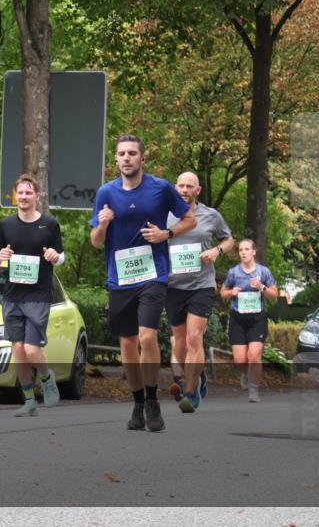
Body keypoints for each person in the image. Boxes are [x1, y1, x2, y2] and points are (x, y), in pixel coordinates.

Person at [90, 135, 196, 432]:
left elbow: (190, 219)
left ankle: (152, 399)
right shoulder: (105, 193)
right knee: (127, 343)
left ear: (142, 158)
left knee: (147, 337)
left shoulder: (160, 188)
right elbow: (96, 242)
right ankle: (137, 403)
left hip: (153, 274)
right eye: (121, 153)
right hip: (120, 277)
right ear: (116, 159)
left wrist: (167, 234)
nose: (126, 158)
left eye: (132, 153)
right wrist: (103, 224)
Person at [0, 175, 65, 417]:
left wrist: (55, 257)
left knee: (32, 350)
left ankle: (46, 377)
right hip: (12, 295)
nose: (23, 197)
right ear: (15, 196)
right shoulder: (6, 225)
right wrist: (0, 256)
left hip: (38, 294)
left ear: (36, 196)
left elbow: (61, 257)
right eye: (19, 193)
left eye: (28, 193)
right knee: (18, 350)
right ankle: (29, 400)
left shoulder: (49, 224)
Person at [165, 172, 234, 413]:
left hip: (201, 286)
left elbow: (229, 241)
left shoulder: (211, 215)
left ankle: (190, 392)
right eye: (181, 185)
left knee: (195, 337)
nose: (184, 189)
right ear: (175, 188)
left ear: (198, 190)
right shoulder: (165, 214)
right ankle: (199, 374)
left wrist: (216, 251)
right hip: (172, 287)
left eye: (189, 186)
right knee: (180, 343)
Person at [220, 239, 278, 403]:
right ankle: (246, 373)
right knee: (240, 360)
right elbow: (222, 292)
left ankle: (254, 390)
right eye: (240, 250)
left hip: (257, 319)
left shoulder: (263, 272)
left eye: (247, 249)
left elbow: (274, 294)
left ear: (254, 252)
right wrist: (231, 292)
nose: (243, 252)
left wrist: (262, 287)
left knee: (254, 356)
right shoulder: (233, 272)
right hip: (238, 318)